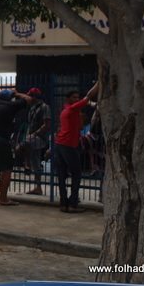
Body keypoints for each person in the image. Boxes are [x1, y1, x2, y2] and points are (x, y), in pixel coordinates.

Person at [54, 82, 99, 213]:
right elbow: (88, 97)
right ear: (68, 99)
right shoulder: (72, 109)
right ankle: (73, 204)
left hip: (61, 144)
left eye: (77, 97)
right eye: (74, 97)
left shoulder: (67, 111)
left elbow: (79, 127)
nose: (77, 99)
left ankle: (63, 203)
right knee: (77, 174)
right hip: (68, 145)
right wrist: (99, 84)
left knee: (62, 175)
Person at [22, 87, 51, 195]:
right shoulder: (32, 108)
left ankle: (27, 165)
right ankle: (37, 187)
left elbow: (47, 125)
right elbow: (30, 124)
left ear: (34, 97)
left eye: (30, 96)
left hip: (40, 137)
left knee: (26, 144)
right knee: (35, 162)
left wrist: (35, 134)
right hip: (32, 137)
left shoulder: (45, 107)